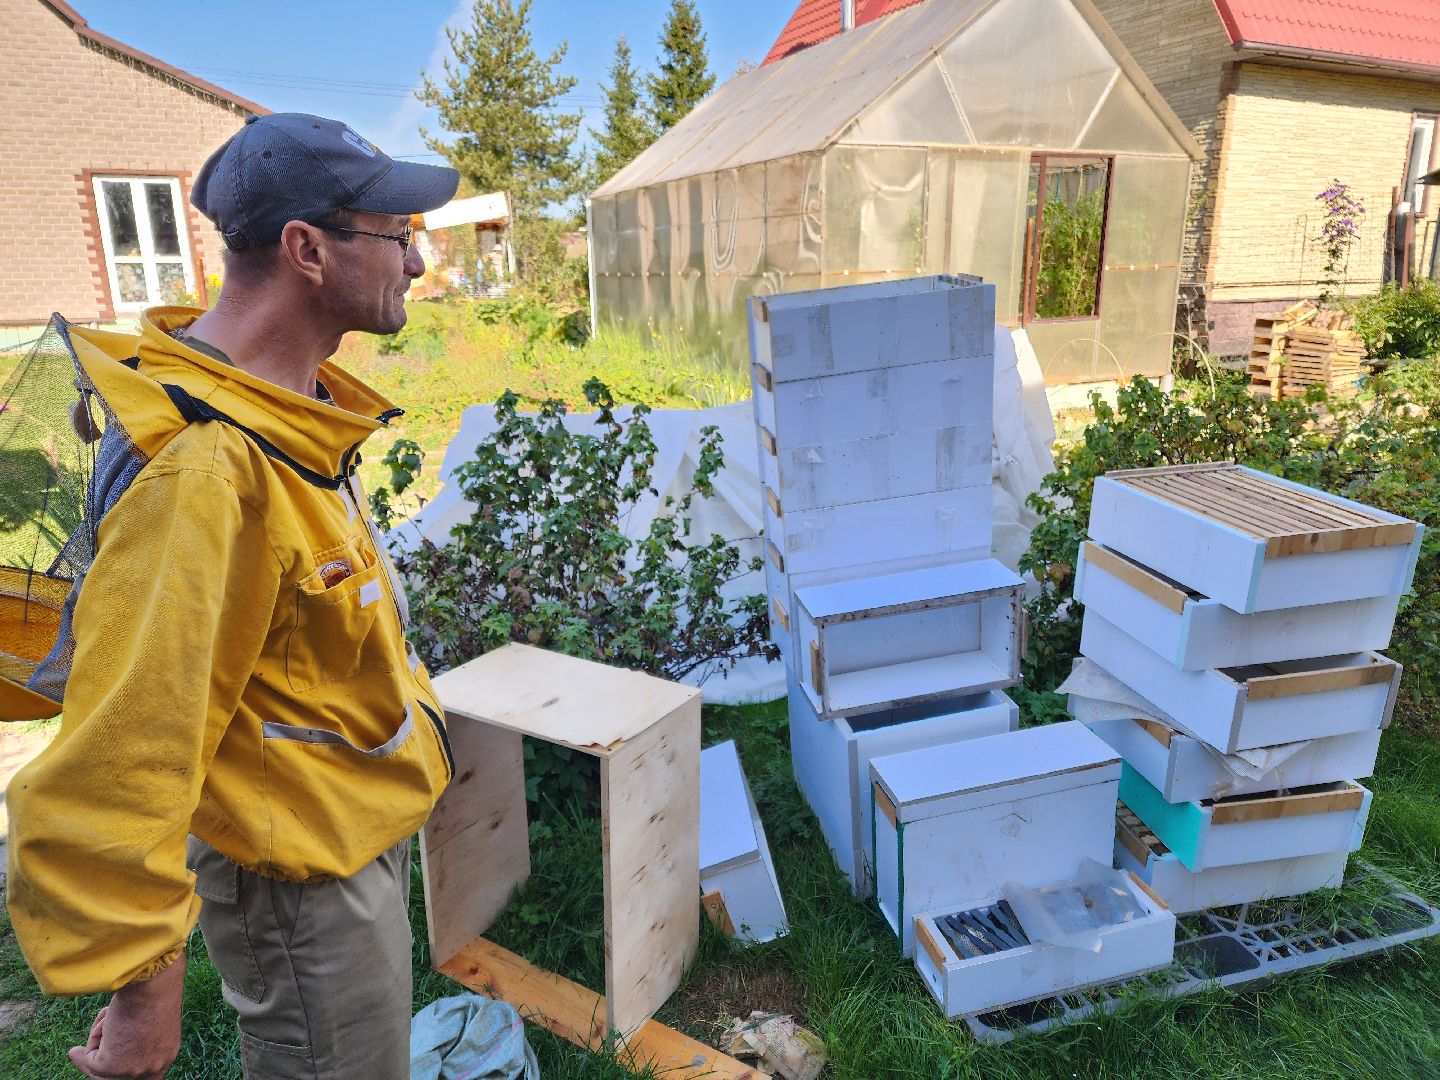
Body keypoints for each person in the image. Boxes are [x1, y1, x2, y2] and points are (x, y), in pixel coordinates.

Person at [6, 113, 460, 1080]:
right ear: (306, 249)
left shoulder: (281, 415)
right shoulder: (207, 468)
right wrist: (141, 990)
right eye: (397, 235)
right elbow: (124, 749)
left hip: (341, 831)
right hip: (300, 889)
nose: (415, 265)